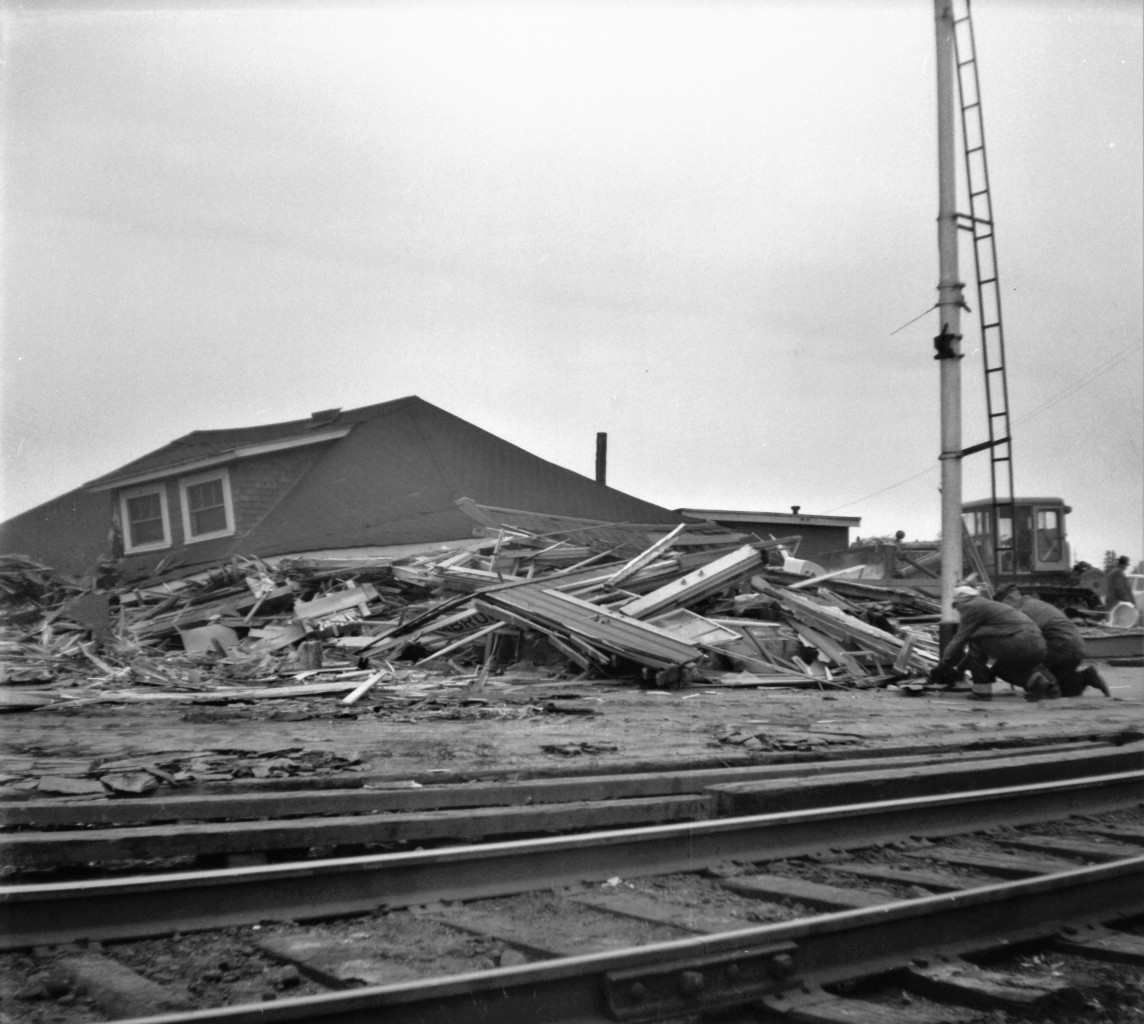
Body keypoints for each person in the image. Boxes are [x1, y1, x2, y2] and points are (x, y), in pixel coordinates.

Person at [932, 585, 1055, 702]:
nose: (956, 609)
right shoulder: (987, 606)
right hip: (1037, 645)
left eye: (955, 605)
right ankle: (1039, 683)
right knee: (1001, 670)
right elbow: (973, 652)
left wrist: (942, 665)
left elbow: (958, 640)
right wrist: (958, 669)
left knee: (974, 639)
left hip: (1021, 642)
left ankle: (982, 693)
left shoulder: (971, 607)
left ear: (962, 601)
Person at [995, 584, 1110, 697]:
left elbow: (1025, 643)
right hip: (1076, 648)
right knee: (1066, 689)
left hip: (1060, 646)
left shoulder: (1022, 612)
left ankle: (1049, 688)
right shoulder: (1034, 603)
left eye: (1001, 605)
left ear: (1009, 598)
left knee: (1003, 667)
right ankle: (1085, 677)